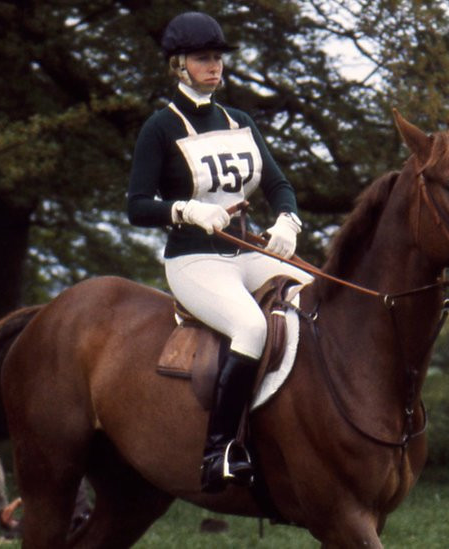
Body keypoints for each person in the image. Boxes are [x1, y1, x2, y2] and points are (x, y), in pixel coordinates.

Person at [127, 11, 312, 493]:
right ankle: (220, 451)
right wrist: (187, 210)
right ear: (178, 66)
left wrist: (288, 220)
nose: (215, 67)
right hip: (195, 260)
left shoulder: (240, 121)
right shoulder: (160, 127)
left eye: (218, 58)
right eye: (203, 58)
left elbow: (277, 182)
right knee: (250, 327)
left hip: (246, 252)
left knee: (315, 298)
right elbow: (137, 206)